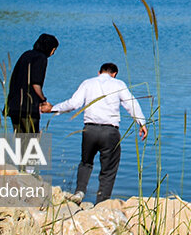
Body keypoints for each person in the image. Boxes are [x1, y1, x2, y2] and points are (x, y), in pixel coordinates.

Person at [47, 62, 147, 204]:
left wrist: (53, 108)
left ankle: (80, 191)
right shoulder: (118, 84)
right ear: (114, 74)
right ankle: (102, 201)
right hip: (110, 132)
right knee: (109, 169)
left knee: (86, 162)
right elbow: (131, 104)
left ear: (99, 72)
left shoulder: (88, 83)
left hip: (89, 130)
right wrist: (141, 123)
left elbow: (73, 103)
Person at [6, 33, 58, 134]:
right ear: (49, 48)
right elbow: (36, 84)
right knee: (31, 142)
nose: (53, 53)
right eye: (54, 50)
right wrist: (43, 100)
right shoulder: (41, 58)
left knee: (20, 141)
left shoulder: (26, 55)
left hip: (14, 106)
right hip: (28, 108)